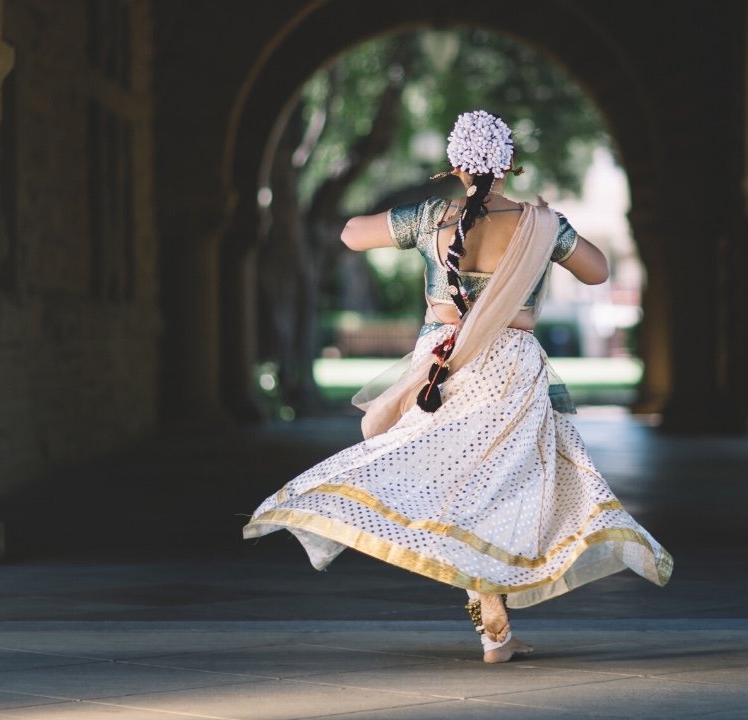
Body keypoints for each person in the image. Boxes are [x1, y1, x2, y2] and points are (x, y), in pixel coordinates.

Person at [243, 110, 672, 663]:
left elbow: (350, 234)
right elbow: (598, 271)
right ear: (511, 165)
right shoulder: (541, 225)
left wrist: (416, 219)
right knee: (503, 487)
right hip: (511, 368)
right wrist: (553, 232)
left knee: (448, 482)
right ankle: (495, 625)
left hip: (441, 367)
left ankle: (492, 625)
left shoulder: (432, 218)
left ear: (455, 167)